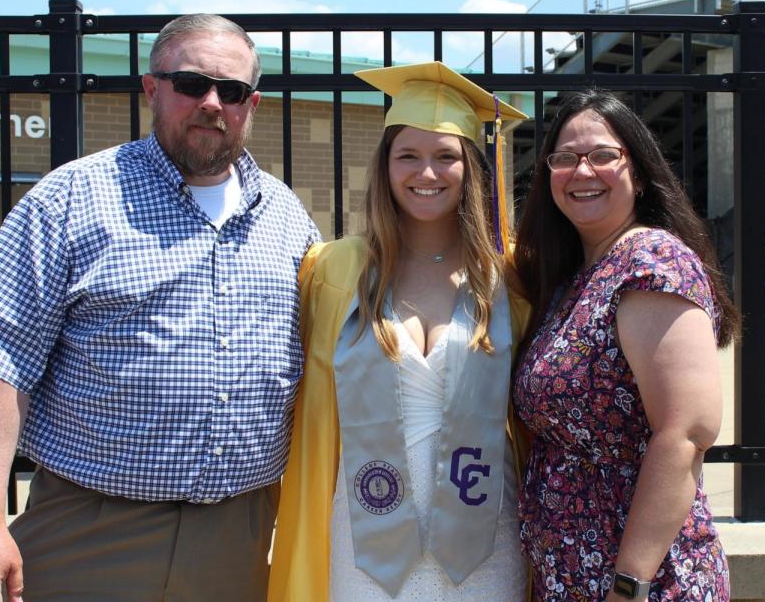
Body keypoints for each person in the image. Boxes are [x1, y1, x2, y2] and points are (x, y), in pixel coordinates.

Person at [0, 14, 320, 602]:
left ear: (250, 104)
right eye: (190, 84)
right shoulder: (71, 199)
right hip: (89, 531)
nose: (210, 102)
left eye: (230, 91)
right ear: (152, 88)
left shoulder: (285, 218)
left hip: (241, 534)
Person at [267, 61, 530, 601]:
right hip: (367, 538)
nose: (426, 173)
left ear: (471, 168)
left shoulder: (509, 277)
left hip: (484, 539)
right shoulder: (335, 270)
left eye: (445, 157)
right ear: (385, 166)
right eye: (407, 155)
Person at [512, 90, 739, 601]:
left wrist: (628, 584)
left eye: (602, 155)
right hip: (570, 576)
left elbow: (685, 433)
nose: (582, 171)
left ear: (637, 169)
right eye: (564, 158)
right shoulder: (576, 277)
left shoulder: (651, 263)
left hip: (645, 581)